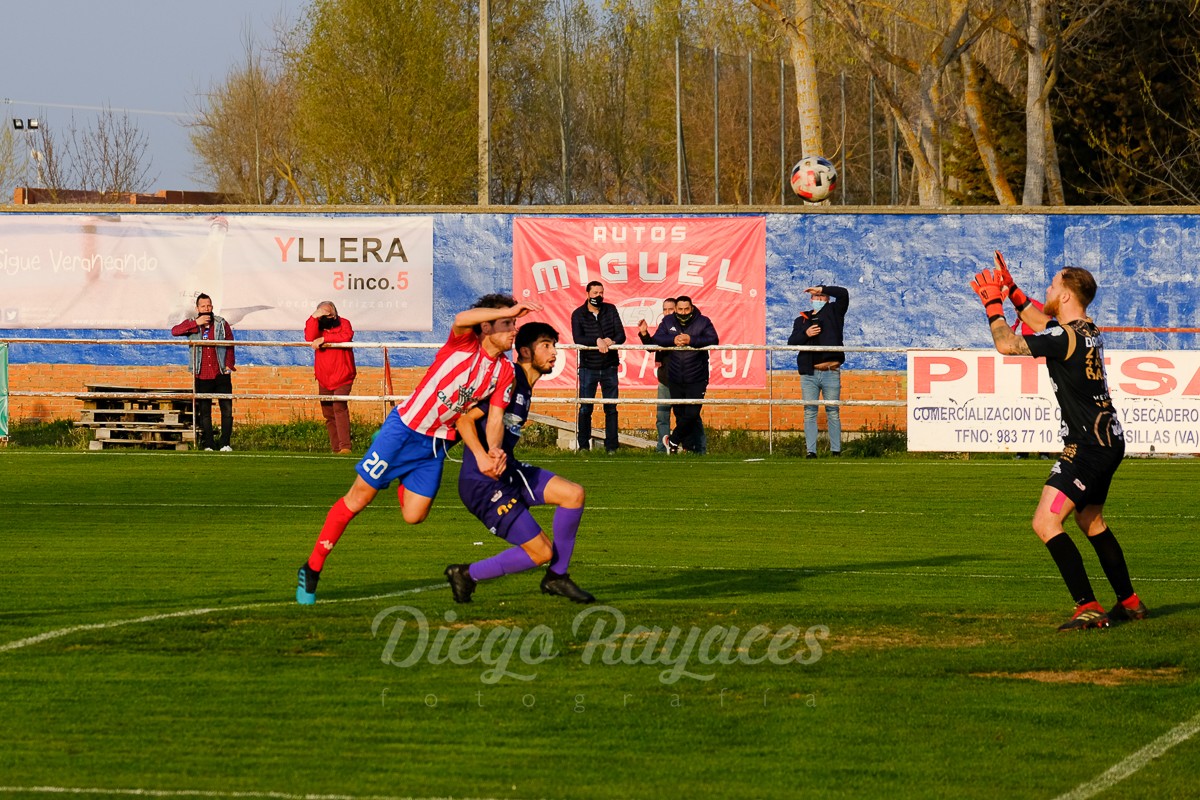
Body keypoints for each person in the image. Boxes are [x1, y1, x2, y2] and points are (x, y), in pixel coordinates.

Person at [296, 294, 542, 605]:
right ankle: (312, 568)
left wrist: (492, 450)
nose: (513, 329)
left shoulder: (505, 371)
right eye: (507, 323)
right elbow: (461, 318)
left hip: (435, 446)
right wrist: (509, 308)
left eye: (514, 323)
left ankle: (398, 475)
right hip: (403, 432)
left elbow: (494, 419)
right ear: (486, 325)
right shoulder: (464, 344)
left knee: (414, 516)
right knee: (359, 498)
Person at [971, 255, 1147, 631]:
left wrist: (992, 304)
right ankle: (1129, 603)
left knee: (1046, 521)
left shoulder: (1063, 336)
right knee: (1090, 519)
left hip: (1086, 446)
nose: (1047, 291)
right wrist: (1012, 290)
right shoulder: (1086, 330)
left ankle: (1088, 607)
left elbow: (1007, 344)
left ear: (1066, 295)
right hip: (1109, 440)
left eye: (1052, 286)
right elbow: (1042, 322)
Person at [445, 321, 595, 604]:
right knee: (541, 552)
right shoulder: (510, 378)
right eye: (546, 346)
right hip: (482, 483)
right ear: (525, 351)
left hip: (508, 470)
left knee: (573, 494)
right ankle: (466, 574)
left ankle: (557, 577)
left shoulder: (525, 385)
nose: (554, 353)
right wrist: (481, 455)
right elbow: (463, 420)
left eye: (555, 346)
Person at [787, 284, 850, 459]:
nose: (820, 300)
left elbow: (843, 294)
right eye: (817, 297)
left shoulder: (834, 313)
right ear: (811, 300)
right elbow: (792, 343)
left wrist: (821, 288)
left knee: (833, 411)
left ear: (828, 299)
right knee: (810, 411)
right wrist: (806, 333)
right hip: (809, 373)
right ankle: (811, 451)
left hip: (831, 371)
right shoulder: (801, 320)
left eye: (823, 297)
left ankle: (836, 451)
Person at [652, 296, 718, 454]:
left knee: (693, 413)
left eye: (686, 309)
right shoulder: (668, 321)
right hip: (674, 376)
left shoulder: (703, 321)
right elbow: (657, 338)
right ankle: (687, 449)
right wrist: (673, 339)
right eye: (680, 309)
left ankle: (673, 440)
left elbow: (713, 339)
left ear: (692, 308)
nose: (683, 312)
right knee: (680, 414)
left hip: (697, 376)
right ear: (675, 309)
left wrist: (691, 340)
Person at [171, 292, 236, 452]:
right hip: (202, 373)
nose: (206, 308)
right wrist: (196, 323)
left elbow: (230, 344)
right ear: (197, 308)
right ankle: (208, 444)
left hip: (221, 372)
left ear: (212, 306)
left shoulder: (221, 323)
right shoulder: (192, 324)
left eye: (209, 305)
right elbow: (175, 331)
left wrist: (229, 365)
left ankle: (225, 443)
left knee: (226, 409)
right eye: (203, 306)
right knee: (205, 411)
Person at [571, 280, 626, 452]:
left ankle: (612, 448)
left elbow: (621, 335)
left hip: (610, 367)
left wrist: (611, 340)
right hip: (588, 368)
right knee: (586, 407)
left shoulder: (610, 310)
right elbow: (578, 338)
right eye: (595, 293)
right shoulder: (578, 314)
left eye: (601, 293)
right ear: (587, 294)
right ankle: (583, 446)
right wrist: (596, 341)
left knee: (611, 408)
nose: (598, 296)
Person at [305, 301, 357, 454]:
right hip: (324, 377)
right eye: (324, 314)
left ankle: (345, 447)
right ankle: (336, 449)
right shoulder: (317, 326)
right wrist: (314, 317)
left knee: (339, 408)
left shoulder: (344, 323)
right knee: (328, 413)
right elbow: (309, 336)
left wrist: (325, 339)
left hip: (343, 374)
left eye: (330, 313)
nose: (329, 316)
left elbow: (346, 336)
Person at [1010, 297, 1051, 461]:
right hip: (1026, 367)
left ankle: (1042, 450)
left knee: (1042, 409)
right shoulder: (1025, 316)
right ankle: (1025, 450)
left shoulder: (1038, 311)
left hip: (1038, 362)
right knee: (1025, 409)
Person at [638, 297, 676, 452]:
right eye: (665, 309)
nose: (667, 313)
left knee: (686, 417)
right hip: (665, 378)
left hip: (684, 379)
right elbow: (652, 347)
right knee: (662, 416)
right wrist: (644, 333)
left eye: (670, 309)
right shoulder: (663, 326)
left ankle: (687, 447)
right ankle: (662, 448)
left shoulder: (685, 326)